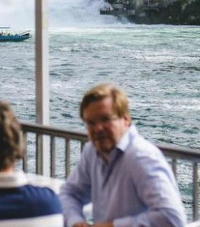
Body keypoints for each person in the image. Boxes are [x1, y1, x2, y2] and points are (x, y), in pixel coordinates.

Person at [59, 83, 187, 227]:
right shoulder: (92, 152)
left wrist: (113, 226)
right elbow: (69, 193)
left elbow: (172, 218)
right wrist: (76, 221)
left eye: (106, 119)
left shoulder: (141, 157)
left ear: (126, 119)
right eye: (91, 123)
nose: (98, 129)